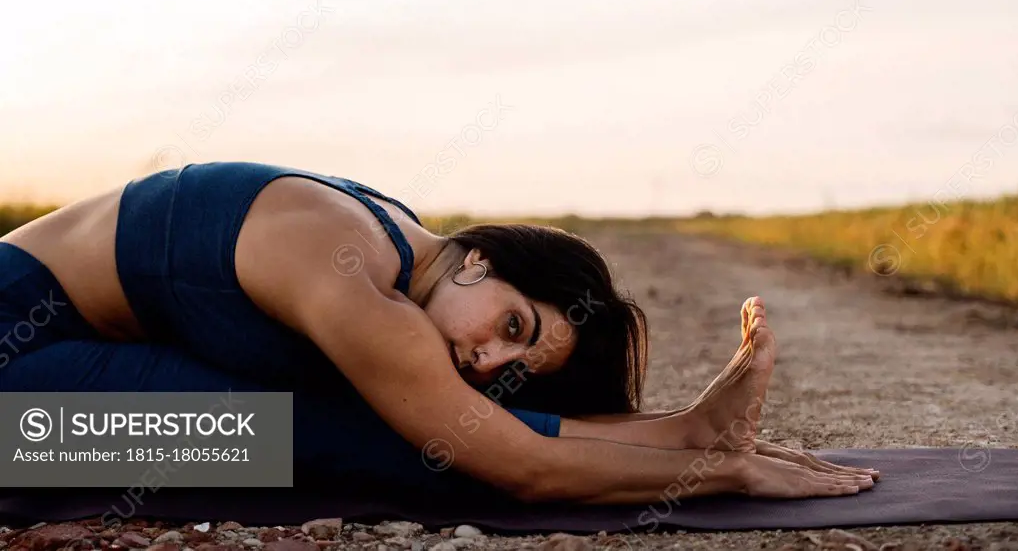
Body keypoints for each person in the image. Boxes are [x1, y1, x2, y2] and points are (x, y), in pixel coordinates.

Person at [0, 161, 878, 503]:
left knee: (368, 427)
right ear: (479, 260)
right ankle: (690, 435)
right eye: (510, 325)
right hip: (14, 406)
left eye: (512, 362)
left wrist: (677, 435)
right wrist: (709, 466)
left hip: (72, 360)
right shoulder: (350, 268)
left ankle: (684, 429)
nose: (485, 358)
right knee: (323, 438)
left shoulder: (401, 248)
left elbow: (478, 426)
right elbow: (514, 462)